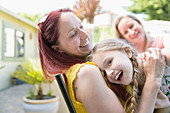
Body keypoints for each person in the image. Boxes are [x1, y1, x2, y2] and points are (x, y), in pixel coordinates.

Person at [38, 8, 168, 113]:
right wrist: (153, 80)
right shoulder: (87, 72)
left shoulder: (74, 72)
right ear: (58, 48)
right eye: (73, 34)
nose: (85, 35)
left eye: (81, 27)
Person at [88, 38, 170, 112]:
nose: (109, 73)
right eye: (104, 73)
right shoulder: (128, 94)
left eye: (109, 62)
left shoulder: (159, 59)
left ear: (127, 52)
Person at [113, 14, 170, 99]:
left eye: (131, 26)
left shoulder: (162, 39)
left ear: (139, 23)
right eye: (126, 32)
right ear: (123, 38)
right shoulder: (128, 54)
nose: (131, 32)